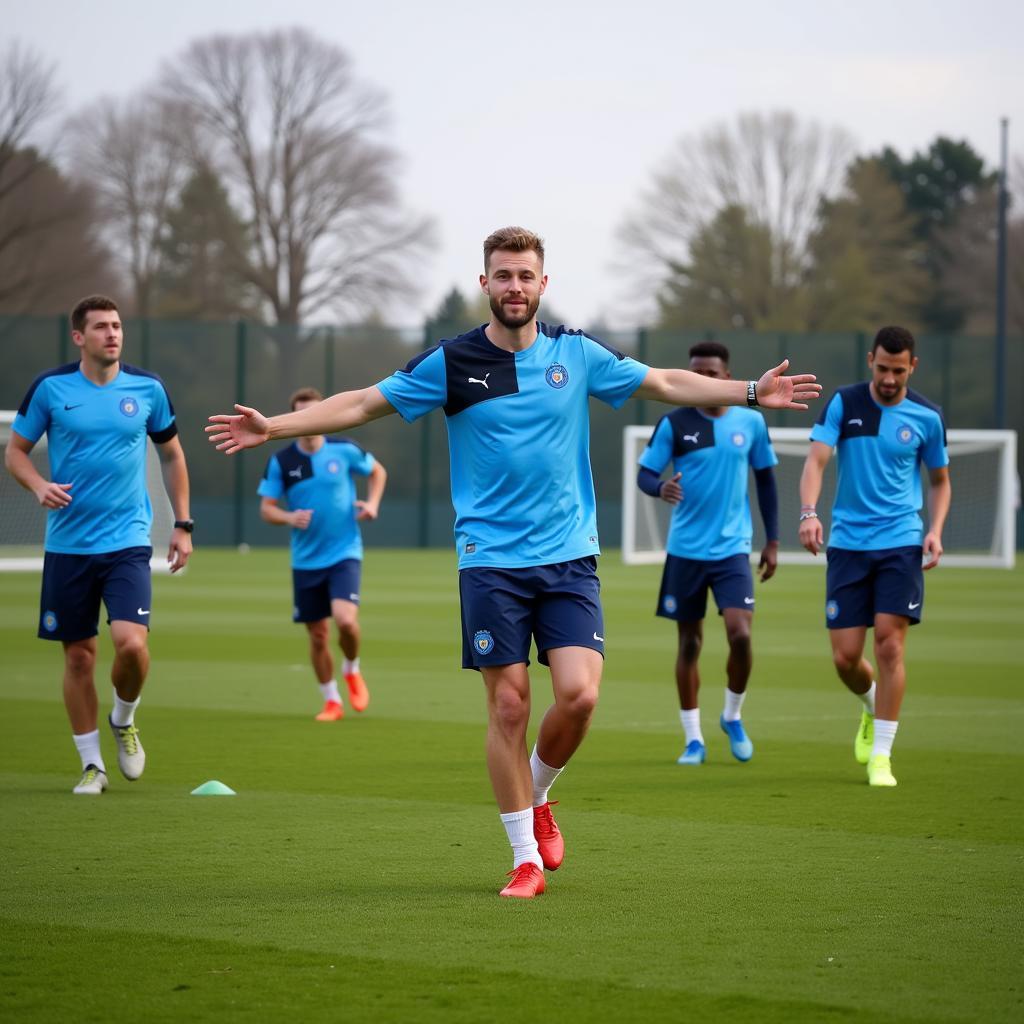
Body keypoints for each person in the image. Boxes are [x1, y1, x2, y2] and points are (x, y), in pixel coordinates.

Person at [207, 226, 820, 898]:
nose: (515, 287)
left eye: (526, 275)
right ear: (485, 284)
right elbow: (360, 403)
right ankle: (524, 856)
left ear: (543, 283)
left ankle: (541, 791)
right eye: (503, 276)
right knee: (507, 705)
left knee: (580, 698)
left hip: (569, 559)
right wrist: (274, 426)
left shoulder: (575, 353)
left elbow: (666, 382)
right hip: (490, 561)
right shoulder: (452, 362)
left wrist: (750, 394)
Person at [4, 295, 193, 795]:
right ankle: (92, 765)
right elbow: (16, 452)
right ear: (78, 337)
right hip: (67, 545)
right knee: (80, 658)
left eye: (117, 326)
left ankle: (124, 718)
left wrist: (183, 523)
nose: (112, 333)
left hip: (128, 541)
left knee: (132, 646)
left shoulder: (148, 389)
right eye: (101, 327)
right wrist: (38, 485)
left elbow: (172, 456)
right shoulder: (50, 389)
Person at [798, 326, 950, 788]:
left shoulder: (927, 416)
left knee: (888, 643)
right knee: (846, 658)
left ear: (913, 367)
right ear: (871, 360)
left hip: (901, 541)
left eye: (898, 370)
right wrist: (808, 512)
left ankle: (881, 754)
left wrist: (936, 532)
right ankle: (870, 706)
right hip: (847, 544)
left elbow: (940, 481)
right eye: (882, 368)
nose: (889, 377)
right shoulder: (845, 404)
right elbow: (816, 461)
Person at [637, 341, 779, 766]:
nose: (706, 379)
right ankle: (693, 739)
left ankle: (732, 716)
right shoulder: (675, 422)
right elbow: (645, 473)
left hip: (732, 550)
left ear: (728, 376)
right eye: (698, 372)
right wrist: (659, 487)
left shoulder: (751, 423)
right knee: (690, 644)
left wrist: (772, 541)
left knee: (741, 633)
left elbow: (767, 482)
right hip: (685, 552)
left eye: (714, 373)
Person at [258, 386, 388, 721]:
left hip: (345, 552)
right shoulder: (282, 461)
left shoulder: (343, 450)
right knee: (317, 635)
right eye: (304, 414)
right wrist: (289, 517)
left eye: (317, 412)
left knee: (346, 621)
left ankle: (352, 668)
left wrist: (372, 504)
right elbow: (267, 509)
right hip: (305, 560)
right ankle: (331, 700)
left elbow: (377, 472)